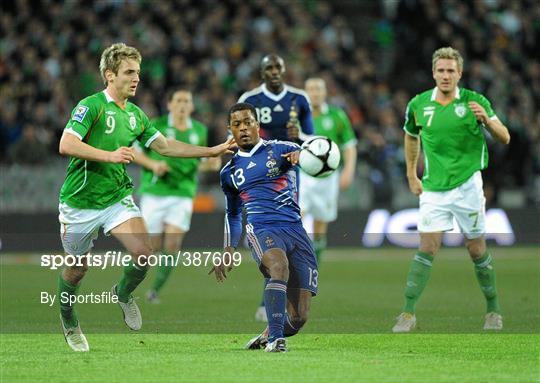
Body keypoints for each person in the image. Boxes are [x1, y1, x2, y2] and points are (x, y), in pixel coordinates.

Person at [57, 43, 234, 352]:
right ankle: (69, 319)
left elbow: (165, 146)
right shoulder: (92, 106)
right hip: (79, 204)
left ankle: (123, 294)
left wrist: (213, 150)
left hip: (116, 199)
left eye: (138, 72)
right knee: (77, 270)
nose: (136, 78)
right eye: (129, 72)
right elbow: (67, 143)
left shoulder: (137, 116)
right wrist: (109, 156)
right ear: (110, 76)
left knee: (144, 252)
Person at [392, 47, 511, 333]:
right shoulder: (418, 104)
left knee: (476, 249)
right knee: (427, 246)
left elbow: (505, 136)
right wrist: (411, 174)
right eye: (441, 70)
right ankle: (407, 313)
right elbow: (410, 138)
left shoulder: (474, 101)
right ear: (434, 73)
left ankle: (493, 310)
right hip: (434, 188)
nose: (446, 75)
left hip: (468, 186)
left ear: (460, 74)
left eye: (451, 71)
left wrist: (487, 120)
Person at [210, 102, 318, 352]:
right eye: (237, 124)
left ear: (257, 125)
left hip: (295, 230)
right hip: (261, 229)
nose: (243, 128)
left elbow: (315, 155)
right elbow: (233, 213)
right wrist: (228, 248)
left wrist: (303, 156)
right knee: (278, 267)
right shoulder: (229, 172)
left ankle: (270, 331)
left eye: (248, 122)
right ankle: (275, 340)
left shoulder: (282, 148)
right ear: (230, 130)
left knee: (300, 317)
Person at [238, 53, 315, 321]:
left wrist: (300, 137)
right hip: (259, 173)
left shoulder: (299, 98)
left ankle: (282, 298)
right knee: (267, 229)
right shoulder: (250, 99)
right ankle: (267, 300)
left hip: (289, 174)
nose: (273, 72)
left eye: (277, 67)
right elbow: (236, 135)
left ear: (284, 70)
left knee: (289, 228)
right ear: (262, 72)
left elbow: (311, 139)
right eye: (268, 67)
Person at [133, 89, 221, 303]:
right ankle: (127, 288)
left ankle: (154, 291)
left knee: (172, 244)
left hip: (182, 193)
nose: (183, 104)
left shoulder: (199, 130)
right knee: (148, 249)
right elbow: (134, 151)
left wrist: (210, 163)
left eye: (187, 101)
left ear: (191, 107)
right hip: (156, 192)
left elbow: (199, 161)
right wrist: (153, 165)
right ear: (170, 104)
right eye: (179, 100)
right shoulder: (156, 124)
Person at [301, 78, 357, 263]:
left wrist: (348, 171)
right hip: (302, 175)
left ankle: (315, 262)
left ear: (325, 92)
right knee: (296, 215)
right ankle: (293, 261)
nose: (315, 93)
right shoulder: (297, 117)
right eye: (311, 89)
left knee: (320, 223)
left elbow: (349, 145)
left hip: (328, 177)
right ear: (305, 92)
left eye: (318, 89)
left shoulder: (336, 115)